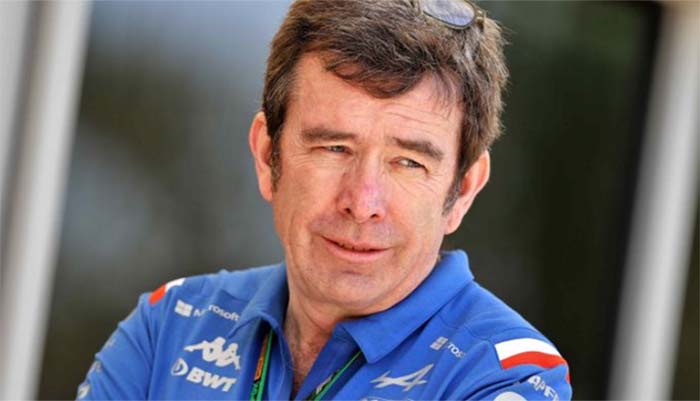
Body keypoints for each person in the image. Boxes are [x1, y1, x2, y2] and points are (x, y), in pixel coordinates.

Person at [77, 0, 572, 400]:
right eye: (334, 148)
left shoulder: (503, 375)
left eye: (408, 162)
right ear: (268, 156)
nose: (363, 201)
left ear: (462, 190)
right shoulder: (171, 325)